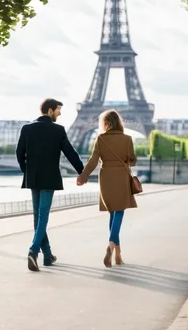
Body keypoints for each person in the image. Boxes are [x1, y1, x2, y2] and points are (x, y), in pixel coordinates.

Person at [16, 98, 84, 272]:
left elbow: (19, 152)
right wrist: (82, 172)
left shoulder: (27, 128)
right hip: (50, 178)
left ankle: (47, 255)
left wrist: (27, 171)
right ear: (50, 110)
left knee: (37, 218)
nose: (60, 113)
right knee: (43, 215)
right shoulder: (58, 130)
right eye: (58, 110)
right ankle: (33, 250)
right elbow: (70, 152)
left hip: (33, 178)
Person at [76, 109, 137, 267]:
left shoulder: (101, 139)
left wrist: (83, 176)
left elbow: (93, 161)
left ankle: (117, 254)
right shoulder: (127, 139)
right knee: (119, 212)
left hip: (106, 178)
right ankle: (111, 246)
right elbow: (132, 160)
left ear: (107, 123)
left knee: (112, 212)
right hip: (122, 177)